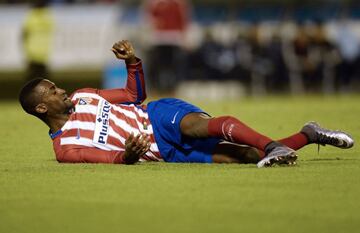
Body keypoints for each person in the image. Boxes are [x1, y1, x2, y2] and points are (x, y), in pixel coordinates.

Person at [19, 40, 354, 168]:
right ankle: (308, 134)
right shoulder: (66, 148)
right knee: (247, 156)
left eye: (55, 86)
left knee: (195, 125)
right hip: (162, 151)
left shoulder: (83, 95)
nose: (60, 90)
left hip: (156, 117)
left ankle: (274, 146)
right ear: (42, 109)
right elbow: (109, 157)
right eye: (51, 91)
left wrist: (132, 64)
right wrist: (129, 155)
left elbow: (134, 97)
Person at [22, 0, 54, 82]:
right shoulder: (47, 15)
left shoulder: (31, 15)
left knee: (31, 77)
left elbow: (24, 33)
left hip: (32, 51)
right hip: (44, 51)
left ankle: (29, 92)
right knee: (44, 77)